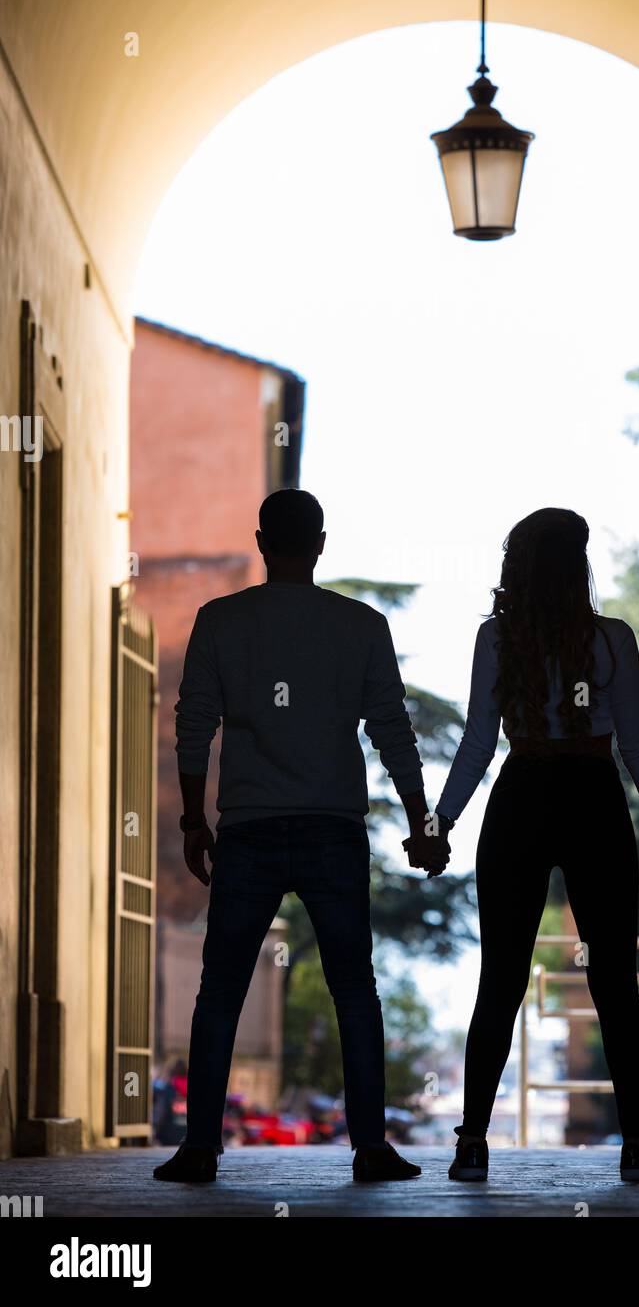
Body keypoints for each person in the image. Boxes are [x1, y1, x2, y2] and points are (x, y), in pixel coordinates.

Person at [153, 489, 449, 1186]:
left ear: (261, 541)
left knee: (220, 989)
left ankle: (200, 1147)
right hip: (333, 829)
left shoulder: (220, 622)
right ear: (320, 543)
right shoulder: (361, 626)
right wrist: (419, 820)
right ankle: (371, 1146)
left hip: (249, 830)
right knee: (356, 991)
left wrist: (195, 819)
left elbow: (193, 725)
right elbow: (392, 734)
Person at [429, 508, 639, 1184]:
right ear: (577, 566)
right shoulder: (612, 640)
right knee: (615, 981)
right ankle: (637, 1144)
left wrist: (440, 824)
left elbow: (476, 743)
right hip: (592, 796)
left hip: (521, 794)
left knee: (500, 979)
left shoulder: (497, 640)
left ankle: (471, 1143)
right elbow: (637, 740)